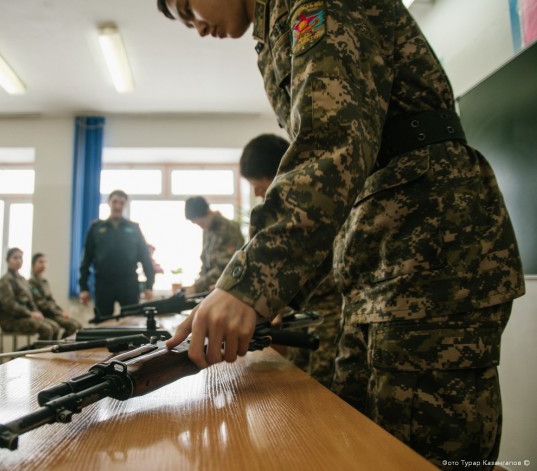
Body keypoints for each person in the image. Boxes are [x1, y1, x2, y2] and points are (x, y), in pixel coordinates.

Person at [157, 1, 525, 469]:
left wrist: (247, 286)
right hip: (378, 256)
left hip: (431, 249)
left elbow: (333, 144)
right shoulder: (275, 25)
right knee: (357, 439)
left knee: (421, 454)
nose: (196, 27)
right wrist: (265, 293)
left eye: (187, 7)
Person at [241, 134, 341, 387]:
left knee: (323, 382)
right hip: (299, 313)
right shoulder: (279, 214)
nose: (256, 191)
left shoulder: (314, 204)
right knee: (298, 377)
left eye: (257, 183)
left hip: (329, 309)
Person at [78, 190, 156, 320]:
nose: (118, 206)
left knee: (131, 322)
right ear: (108, 203)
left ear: (125, 205)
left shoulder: (134, 228)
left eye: (121, 203)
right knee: (102, 324)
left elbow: (144, 258)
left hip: (128, 283)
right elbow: (86, 260)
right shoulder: (96, 228)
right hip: (103, 284)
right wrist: (83, 288)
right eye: (115, 202)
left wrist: (149, 286)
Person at [183, 196, 244, 295]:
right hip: (210, 290)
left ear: (207, 211)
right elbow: (205, 263)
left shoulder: (229, 228)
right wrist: (196, 286)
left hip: (227, 290)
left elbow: (226, 266)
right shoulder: (207, 230)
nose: (200, 226)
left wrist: (197, 287)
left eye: (201, 222)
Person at [0, 247, 60, 341]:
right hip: (12, 320)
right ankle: (38, 350)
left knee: (55, 327)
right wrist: (29, 313)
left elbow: (30, 300)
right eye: (15, 258)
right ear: (7, 260)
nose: (18, 261)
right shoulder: (5, 281)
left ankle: (46, 350)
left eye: (20, 258)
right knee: (47, 329)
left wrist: (36, 312)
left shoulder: (22, 279)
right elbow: (10, 304)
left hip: (24, 316)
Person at [29, 253, 82, 339]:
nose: (44, 264)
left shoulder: (44, 282)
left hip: (53, 312)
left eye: (45, 262)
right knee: (72, 326)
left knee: (78, 325)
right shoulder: (31, 283)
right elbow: (41, 304)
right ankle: (58, 345)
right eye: (40, 262)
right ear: (33, 264)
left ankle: (61, 345)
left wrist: (62, 311)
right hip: (45, 314)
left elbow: (51, 301)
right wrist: (59, 313)